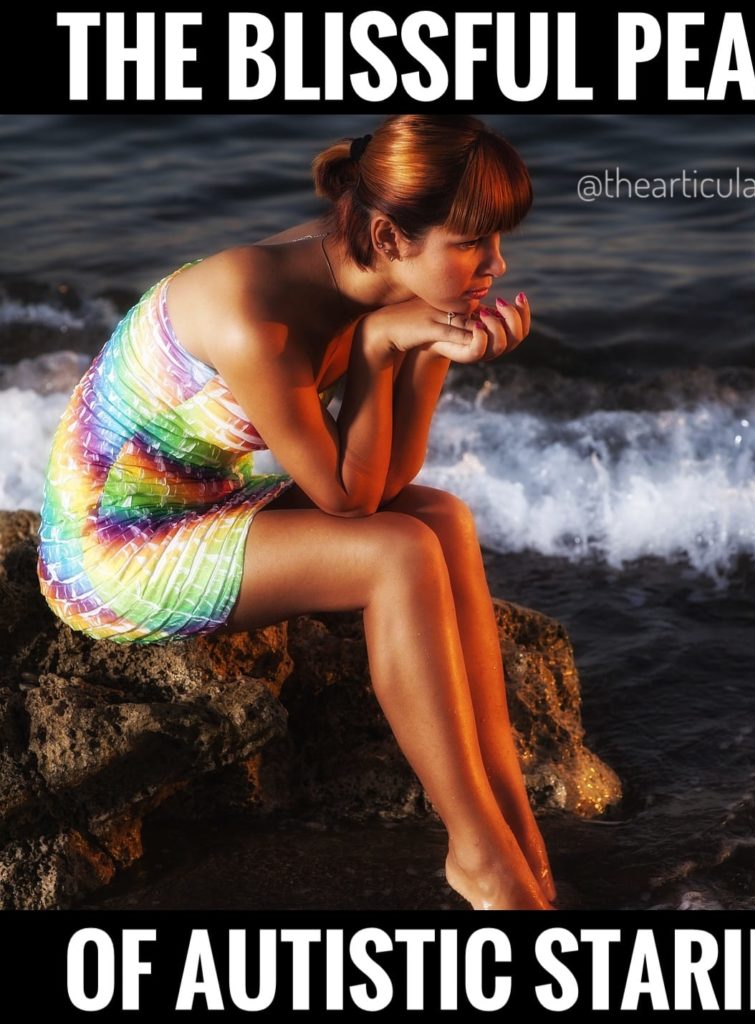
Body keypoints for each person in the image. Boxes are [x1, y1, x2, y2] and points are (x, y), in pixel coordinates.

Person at [36, 114, 555, 911]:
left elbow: (383, 481)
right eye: (471, 243)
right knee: (397, 555)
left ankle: (516, 835)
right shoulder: (259, 313)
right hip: (113, 547)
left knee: (441, 520)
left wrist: (433, 348)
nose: (496, 264)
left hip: (201, 498)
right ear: (389, 237)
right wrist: (382, 348)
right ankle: (477, 858)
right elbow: (348, 503)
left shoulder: (368, 268)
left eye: (496, 242)